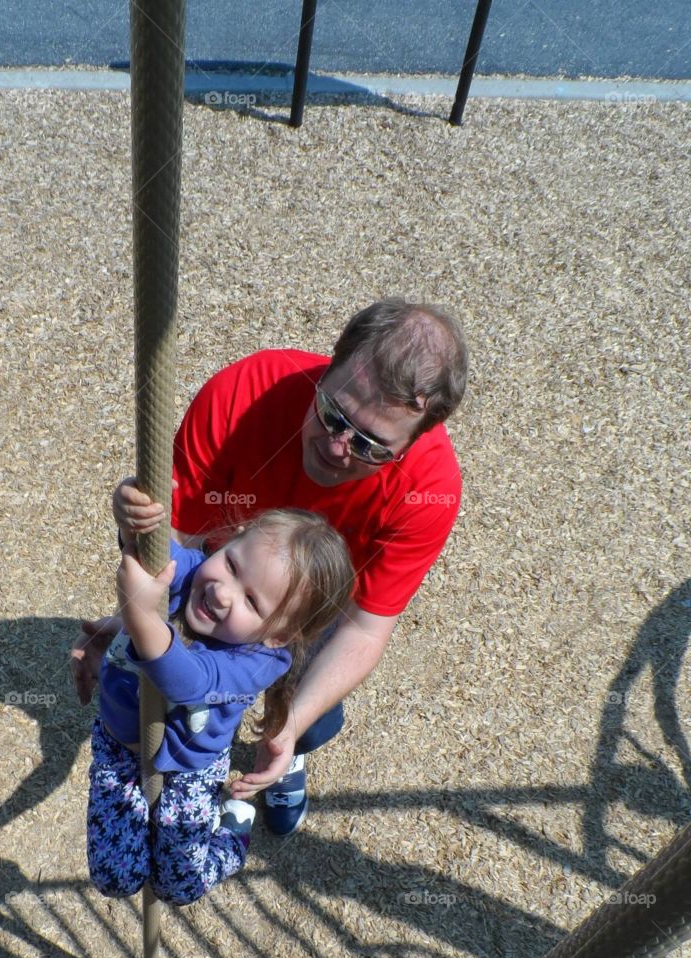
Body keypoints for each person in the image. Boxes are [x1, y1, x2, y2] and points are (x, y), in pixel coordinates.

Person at [74, 298, 468, 835]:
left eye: (373, 445)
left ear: (415, 441)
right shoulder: (244, 392)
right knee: (183, 691)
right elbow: (178, 541)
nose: (337, 447)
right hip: (224, 567)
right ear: (328, 368)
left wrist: (290, 726)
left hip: (312, 609)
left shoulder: (430, 490)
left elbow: (365, 625)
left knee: (299, 703)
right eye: (334, 413)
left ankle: (291, 752)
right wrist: (132, 602)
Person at [87, 503, 354, 905]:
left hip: (190, 769)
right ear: (230, 541)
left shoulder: (261, 660)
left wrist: (139, 615)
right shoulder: (196, 573)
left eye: (251, 601)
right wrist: (132, 516)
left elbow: (189, 683)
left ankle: (231, 833)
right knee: (115, 879)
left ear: (279, 635)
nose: (222, 591)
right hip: (120, 747)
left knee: (178, 886)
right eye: (230, 563)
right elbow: (151, 550)